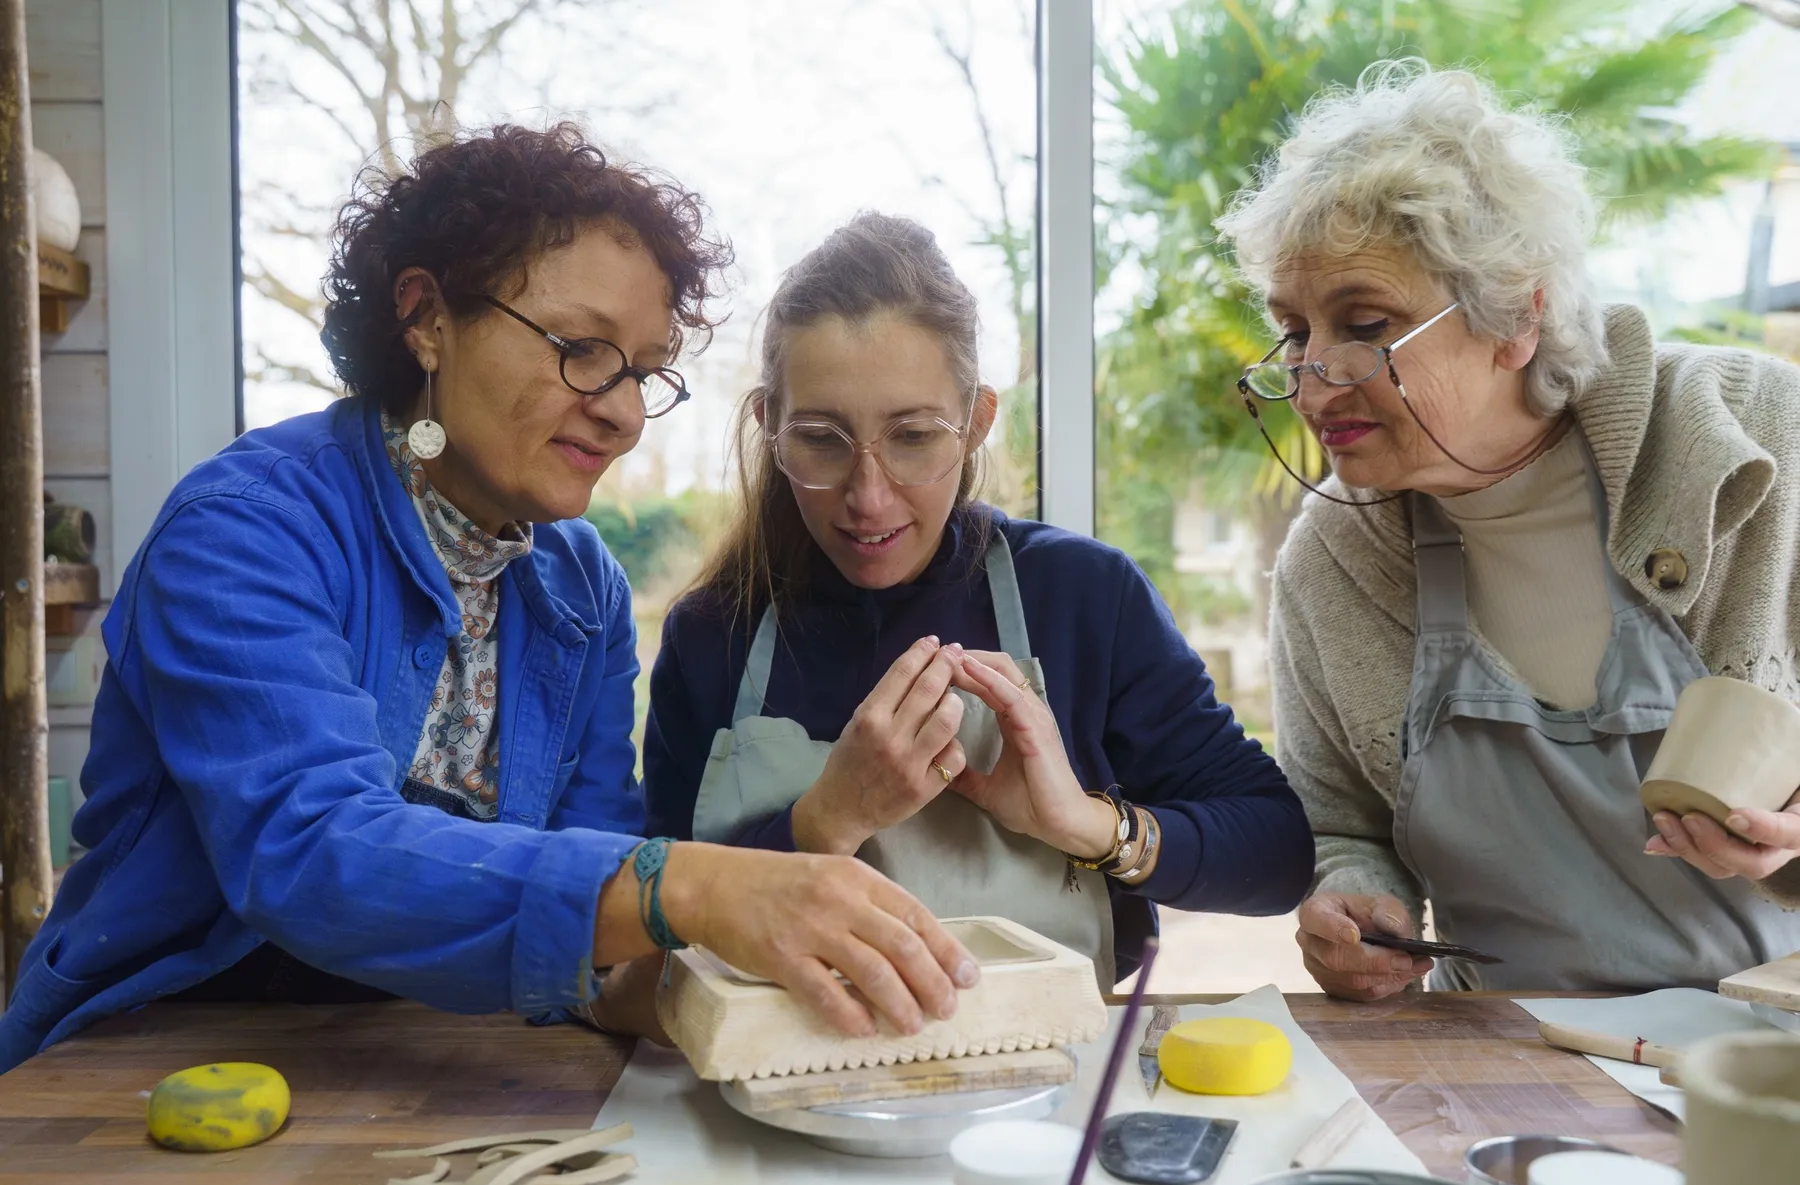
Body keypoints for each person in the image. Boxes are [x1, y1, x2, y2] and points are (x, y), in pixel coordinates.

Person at [0, 127, 979, 1074]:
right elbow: (309, 851)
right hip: (149, 1062)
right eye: (584, 349)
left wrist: (776, 1028)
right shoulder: (247, 529)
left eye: (642, 371)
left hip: (440, 1065)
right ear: (428, 317)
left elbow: (605, 937)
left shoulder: (579, 587)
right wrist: (705, 886)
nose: (624, 409)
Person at [1209, 62, 1800, 999]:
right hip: (1496, 1067)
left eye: (1364, 322)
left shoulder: (1755, 436)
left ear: (1518, 314)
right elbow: (1339, 826)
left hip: (1759, 1064)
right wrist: (1355, 901)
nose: (1313, 377)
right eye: (1293, 332)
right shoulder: (1333, 555)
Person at [644, 213, 1314, 988]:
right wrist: (825, 820)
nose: (869, 497)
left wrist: (1085, 823)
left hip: (1049, 1088)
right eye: (823, 439)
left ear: (975, 425)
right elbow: (648, 942)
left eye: (914, 436)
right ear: (771, 429)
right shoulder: (711, 635)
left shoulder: (1084, 598)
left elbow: (1278, 852)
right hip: (769, 1085)